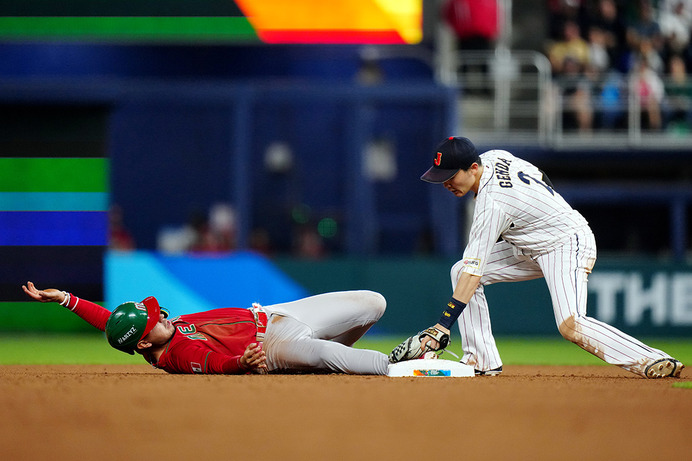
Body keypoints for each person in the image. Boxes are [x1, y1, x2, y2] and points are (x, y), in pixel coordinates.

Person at [389, 136, 685, 379]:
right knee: (459, 270)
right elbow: (539, 177)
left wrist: (443, 325)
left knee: (570, 324)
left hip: (566, 243)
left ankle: (652, 359)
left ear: (474, 168)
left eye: (451, 176)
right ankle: (480, 359)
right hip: (532, 244)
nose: (445, 183)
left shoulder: (492, 204)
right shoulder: (496, 156)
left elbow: (474, 271)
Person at [22, 281, 389, 375]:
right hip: (271, 346)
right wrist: (243, 364)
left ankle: (329, 362)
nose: (162, 315)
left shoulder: (148, 336)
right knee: (325, 353)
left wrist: (65, 299)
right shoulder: (177, 355)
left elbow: (110, 322)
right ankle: (394, 366)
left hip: (276, 313)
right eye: (155, 321)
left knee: (374, 304)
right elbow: (215, 365)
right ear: (145, 342)